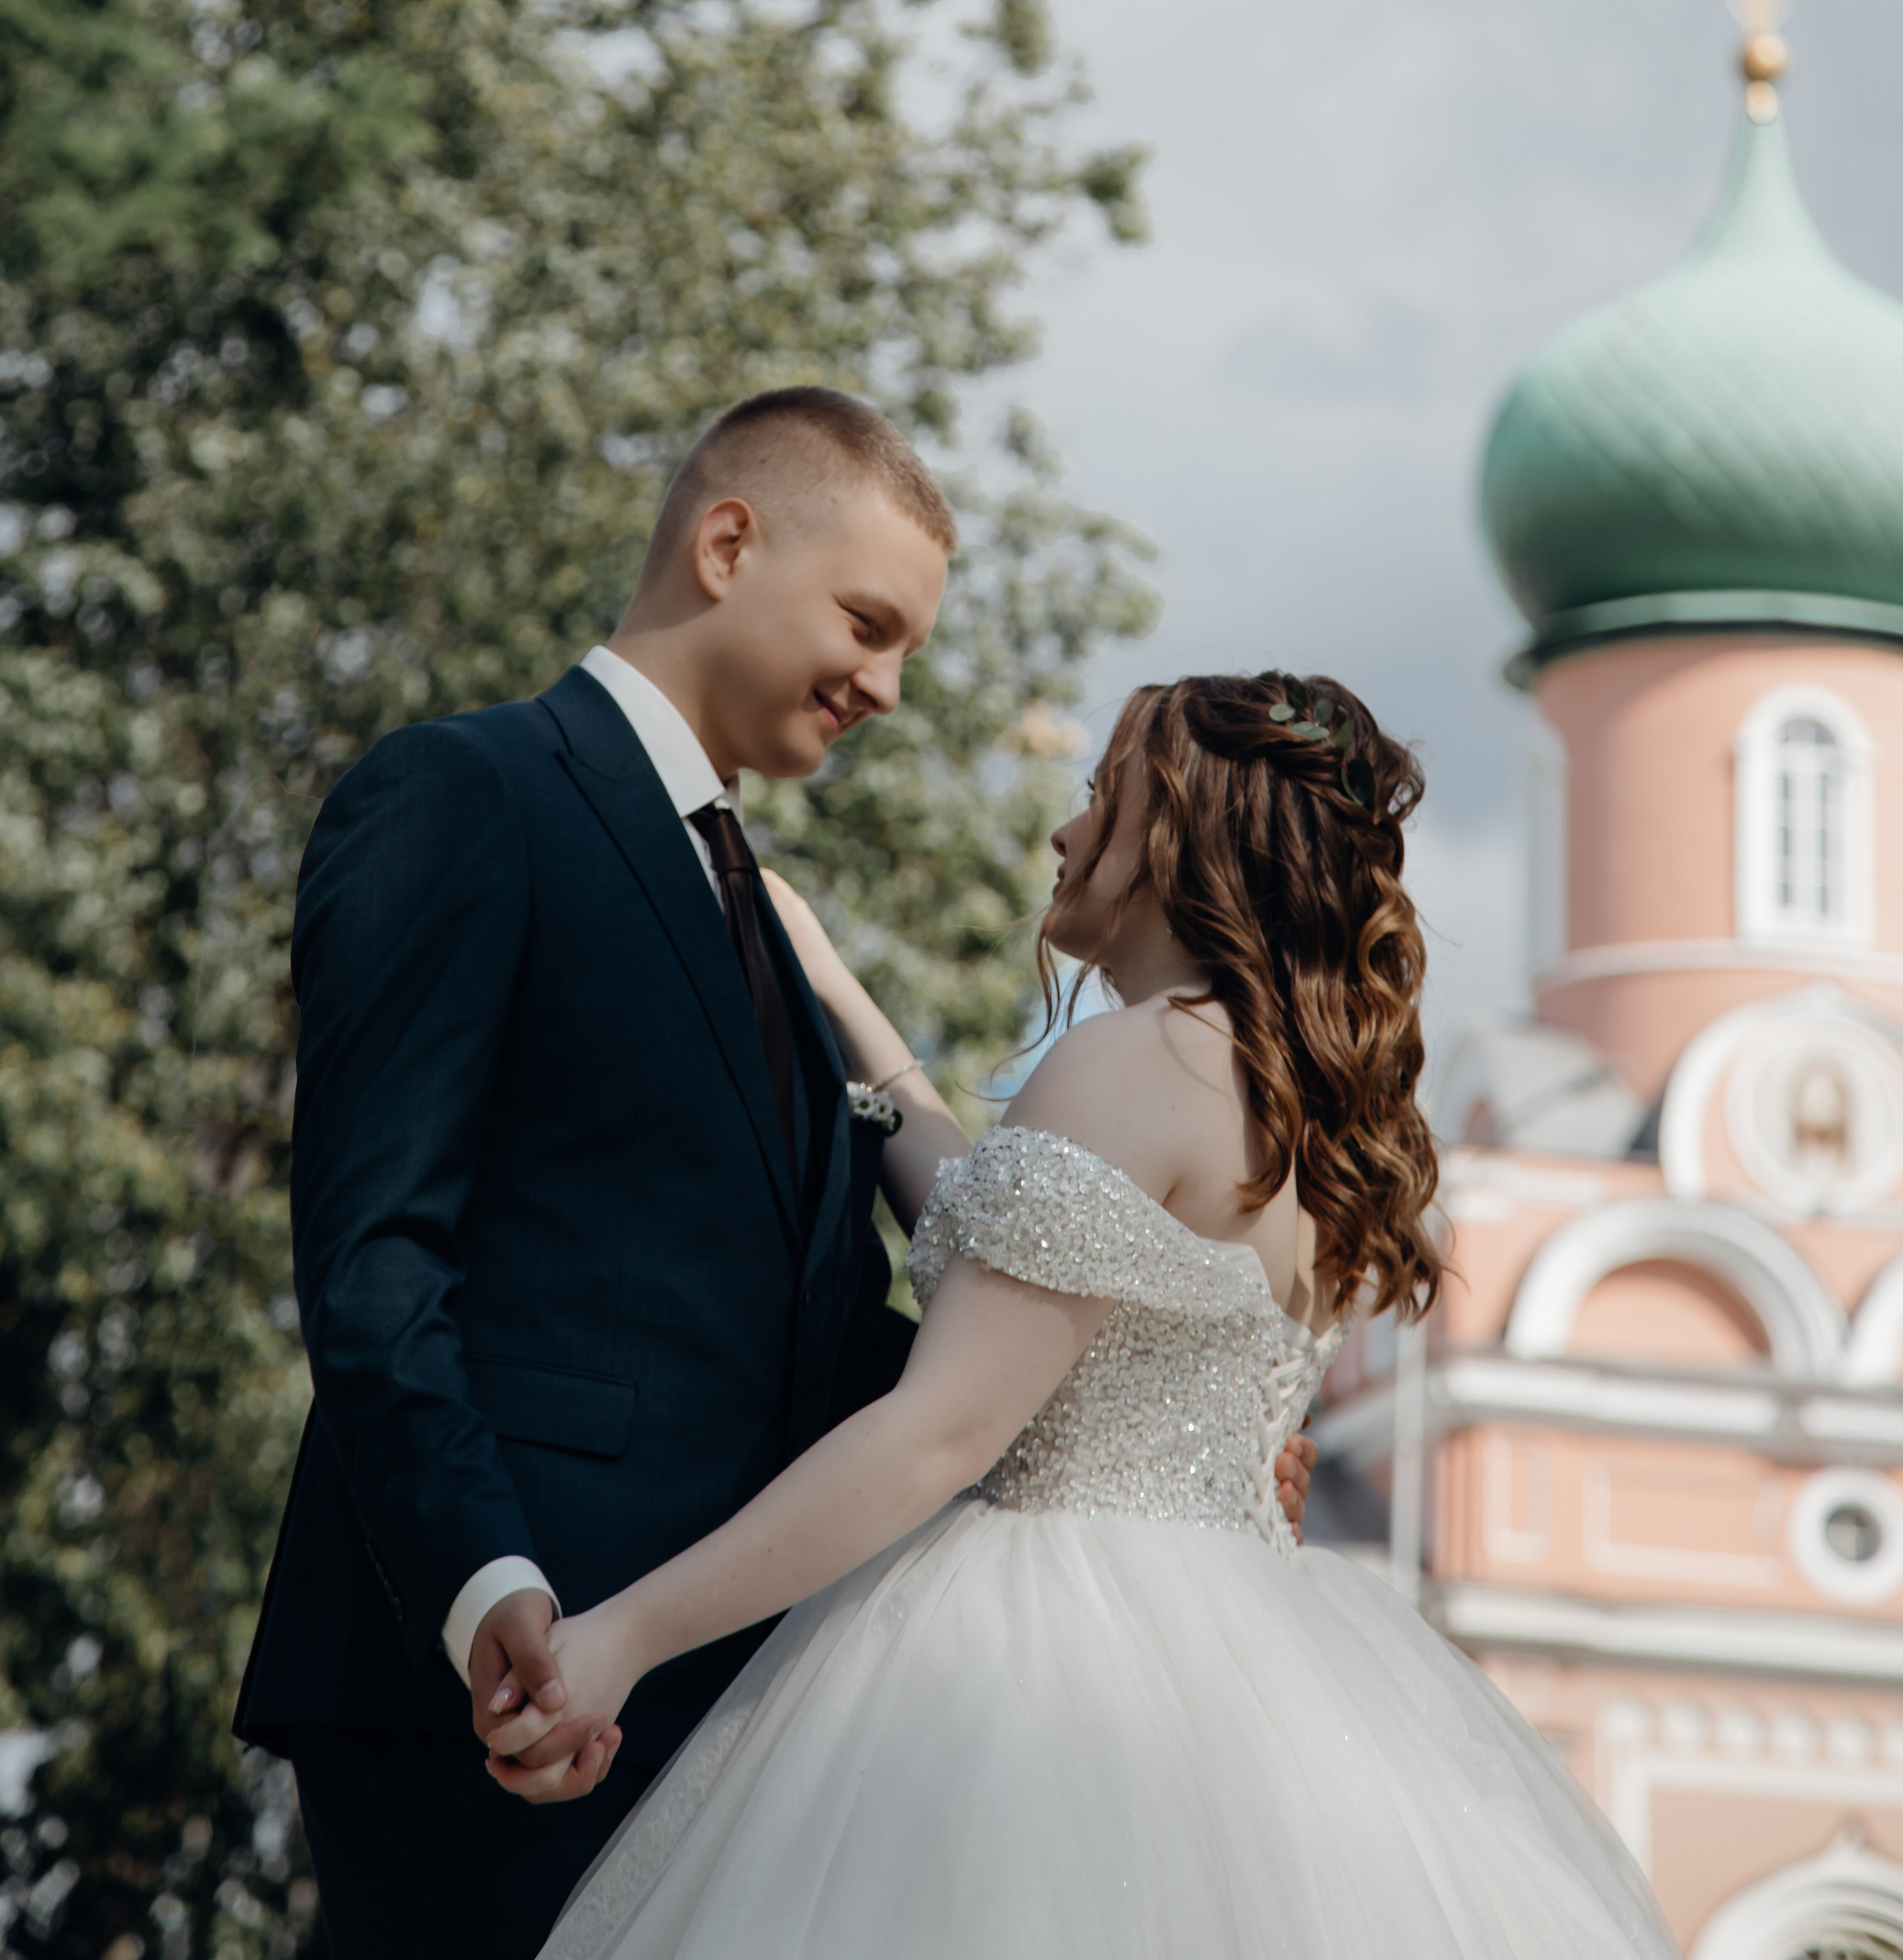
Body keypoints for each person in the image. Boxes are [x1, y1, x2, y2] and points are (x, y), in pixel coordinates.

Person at [232, 382, 1325, 1958]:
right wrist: (487, 1590)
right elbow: (374, 1261)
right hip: (489, 1690)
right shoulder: (469, 798)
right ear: (727, 544)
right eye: (868, 624)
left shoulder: (758, 912)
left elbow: (781, 1332)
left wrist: (1132, 1407)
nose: (885, 686)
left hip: (719, 1696)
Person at [480, 671, 1676, 1960]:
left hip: (1039, 1656)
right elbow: (1000, 1233)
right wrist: (837, 996)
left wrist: (626, 1637)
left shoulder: (1136, 1060)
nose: (1063, 835)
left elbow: (939, 1433)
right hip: (1247, 1670)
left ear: (1173, 838)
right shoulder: (1302, 1114)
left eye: (1100, 799)